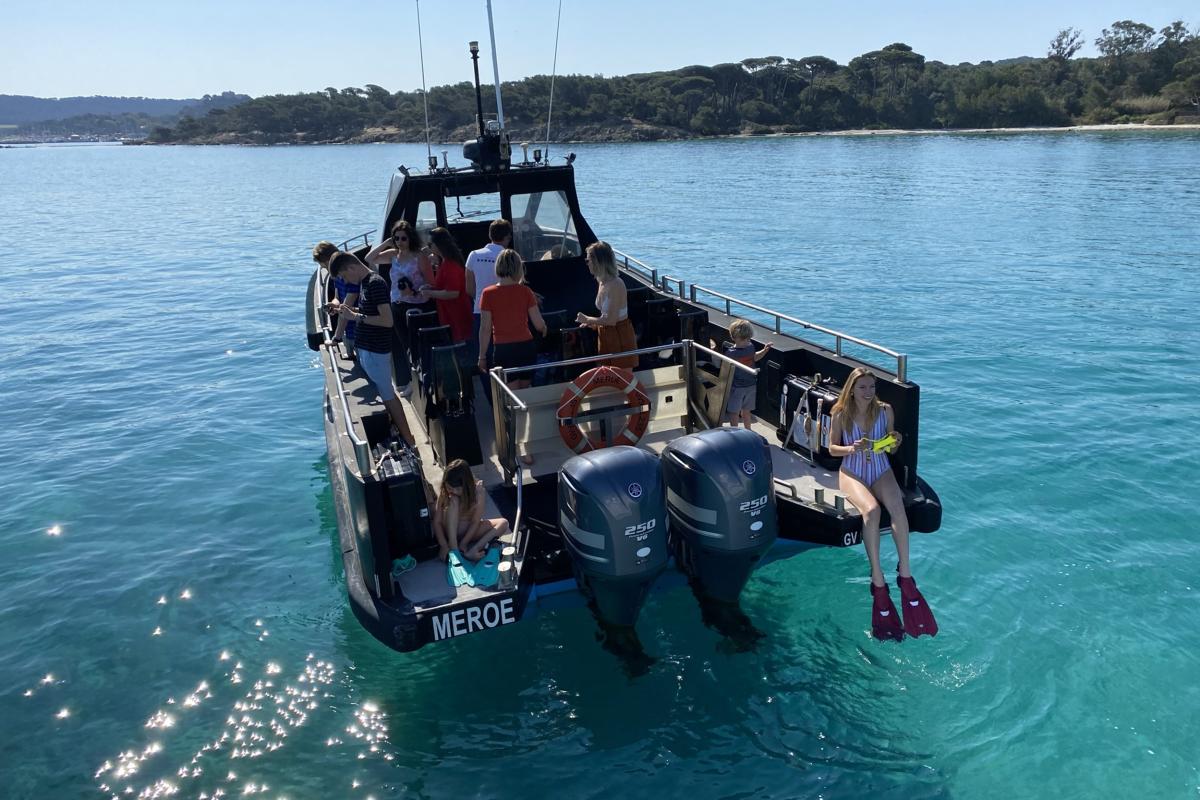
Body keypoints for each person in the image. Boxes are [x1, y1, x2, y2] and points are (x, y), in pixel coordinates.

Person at [826, 367, 937, 641]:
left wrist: (894, 440)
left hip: (880, 469)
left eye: (872, 387)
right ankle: (878, 578)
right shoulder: (840, 413)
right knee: (872, 511)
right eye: (862, 387)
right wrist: (852, 448)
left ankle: (906, 574)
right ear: (852, 388)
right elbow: (830, 448)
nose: (868, 392)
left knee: (897, 506)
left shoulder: (885, 410)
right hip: (852, 472)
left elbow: (891, 446)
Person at [327, 252, 417, 448]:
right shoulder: (365, 283)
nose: (345, 280)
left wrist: (355, 317)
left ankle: (409, 439)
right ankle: (403, 435)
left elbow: (387, 320)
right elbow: (372, 312)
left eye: (344, 276)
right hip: (369, 349)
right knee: (386, 394)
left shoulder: (374, 283)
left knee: (388, 396)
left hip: (376, 350)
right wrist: (350, 312)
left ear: (351, 268)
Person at [479, 249, 547, 464]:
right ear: (518, 268)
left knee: (508, 401)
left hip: (504, 351)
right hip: (525, 349)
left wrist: (481, 356)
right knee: (524, 396)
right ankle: (527, 448)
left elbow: (484, 329)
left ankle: (511, 445)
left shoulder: (488, 294)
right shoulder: (526, 292)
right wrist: (545, 329)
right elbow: (538, 324)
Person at [364, 221, 434, 398]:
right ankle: (412, 381)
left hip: (418, 304)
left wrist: (415, 291)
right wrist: (386, 243)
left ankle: (426, 380)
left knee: (418, 345)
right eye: (397, 238)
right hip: (397, 304)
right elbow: (369, 259)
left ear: (410, 238)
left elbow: (431, 283)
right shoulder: (393, 255)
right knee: (405, 345)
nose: (400, 242)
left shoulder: (419, 257)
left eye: (403, 238)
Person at [575, 241, 639, 369]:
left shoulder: (615, 284)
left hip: (620, 337)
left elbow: (610, 320)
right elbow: (606, 316)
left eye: (588, 261)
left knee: (622, 378)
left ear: (598, 262)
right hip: (606, 335)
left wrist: (587, 318)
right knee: (607, 378)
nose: (587, 264)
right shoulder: (602, 282)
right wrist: (592, 323)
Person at [432, 459, 510, 561]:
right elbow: (437, 522)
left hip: (468, 532)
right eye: (450, 488)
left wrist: (464, 543)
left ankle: (474, 550)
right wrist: (443, 545)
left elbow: (475, 521)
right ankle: (454, 548)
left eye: (458, 489)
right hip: (449, 532)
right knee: (453, 500)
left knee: (504, 523)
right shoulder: (446, 493)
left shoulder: (478, 491)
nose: (454, 491)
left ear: (467, 485)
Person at [465, 219, 511, 366]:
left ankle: (488, 388)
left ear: (490, 235)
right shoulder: (509, 256)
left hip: (479, 310)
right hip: (504, 313)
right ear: (507, 237)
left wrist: (480, 299)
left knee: (484, 355)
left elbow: (469, 289)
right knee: (504, 354)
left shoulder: (473, 255)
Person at [419, 227, 472, 346]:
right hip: (449, 314)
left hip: (457, 316)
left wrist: (430, 293)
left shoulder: (450, 265)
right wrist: (431, 288)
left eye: (430, 244)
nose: (428, 247)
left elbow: (453, 293)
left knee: (459, 346)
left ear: (439, 244)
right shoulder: (443, 262)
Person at [722, 319, 772, 429]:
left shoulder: (750, 347)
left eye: (747, 339)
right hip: (737, 387)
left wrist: (764, 351)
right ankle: (735, 430)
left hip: (750, 385)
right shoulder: (730, 353)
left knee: (745, 410)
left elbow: (754, 357)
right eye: (743, 339)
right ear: (734, 338)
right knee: (734, 411)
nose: (745, 342)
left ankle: (748, 430)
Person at [313, 241, 359, 357]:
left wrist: (335, 339)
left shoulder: (351, 278)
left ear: (329, 262)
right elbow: (338, 298)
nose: (326, 271)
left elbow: (345, 311)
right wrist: (333, 304)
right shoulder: (336, 276)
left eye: (324, 266)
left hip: (359, 331)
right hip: (347, 330)